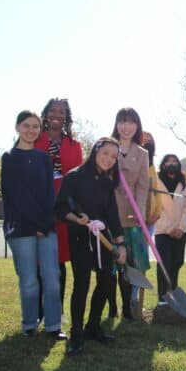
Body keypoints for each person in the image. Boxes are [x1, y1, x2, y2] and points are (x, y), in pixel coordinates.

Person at [54, 138, 128, 356]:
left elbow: (112, 215)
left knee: (106, 282)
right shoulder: (74, 176)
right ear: (96, 151)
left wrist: (121, 244)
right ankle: (76, 332)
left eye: (113, 157)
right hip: (80, 238)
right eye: (105, 153)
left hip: (102, 239)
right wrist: (78, 219)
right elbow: (59, 209)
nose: (108, 159)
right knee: (82, 285)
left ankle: (93, 326)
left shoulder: (108, 180)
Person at [1, 110, 65, 340]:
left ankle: (54, 326)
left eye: (35, 126)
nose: (31, 130)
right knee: (29, 281)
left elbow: (49, 193)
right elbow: (17, 196)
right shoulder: (9, 157)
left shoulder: (43, 158)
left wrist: (46, 223)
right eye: (26, 125)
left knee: (52, 277)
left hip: (46, 226)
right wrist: (37, 223)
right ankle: (29, 324)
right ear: (17, 127)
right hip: (21, 228)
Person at [34, 98, 83, 315]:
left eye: (61, 112)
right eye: (52, 111)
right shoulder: (33, 140)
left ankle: (56, 313)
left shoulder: (75, 146)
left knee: (59, 264)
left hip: (64, 212)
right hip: (38, 210)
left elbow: (77, 181)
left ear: (67, 117)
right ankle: (36, 312)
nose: (56, 114)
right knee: (37, 265)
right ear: (45, 114)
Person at [107, 107, 150, 320]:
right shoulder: (106, 147)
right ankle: (111, 306)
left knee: (128, 264)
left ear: (137, 126)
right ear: (116, 124)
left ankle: (126, 308)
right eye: (122, 122)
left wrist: (138, 212)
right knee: (108, 265)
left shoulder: (142, 154)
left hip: (130, 216)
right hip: (106, 214)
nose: (126, 127)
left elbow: (143, 187)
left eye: (131, 122)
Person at [154, 154, 186, 304]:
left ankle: (173, 291)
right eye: (168, 162)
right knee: (164, 263)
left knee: (177, 262)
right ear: (163, 164)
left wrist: (181, 228)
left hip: (180, 231)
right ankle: (163, 297)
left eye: (174, 161)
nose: (171, 164)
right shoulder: (156, 182)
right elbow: (153, 207)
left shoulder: (184, 184)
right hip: (162, 231)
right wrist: (168, 227)